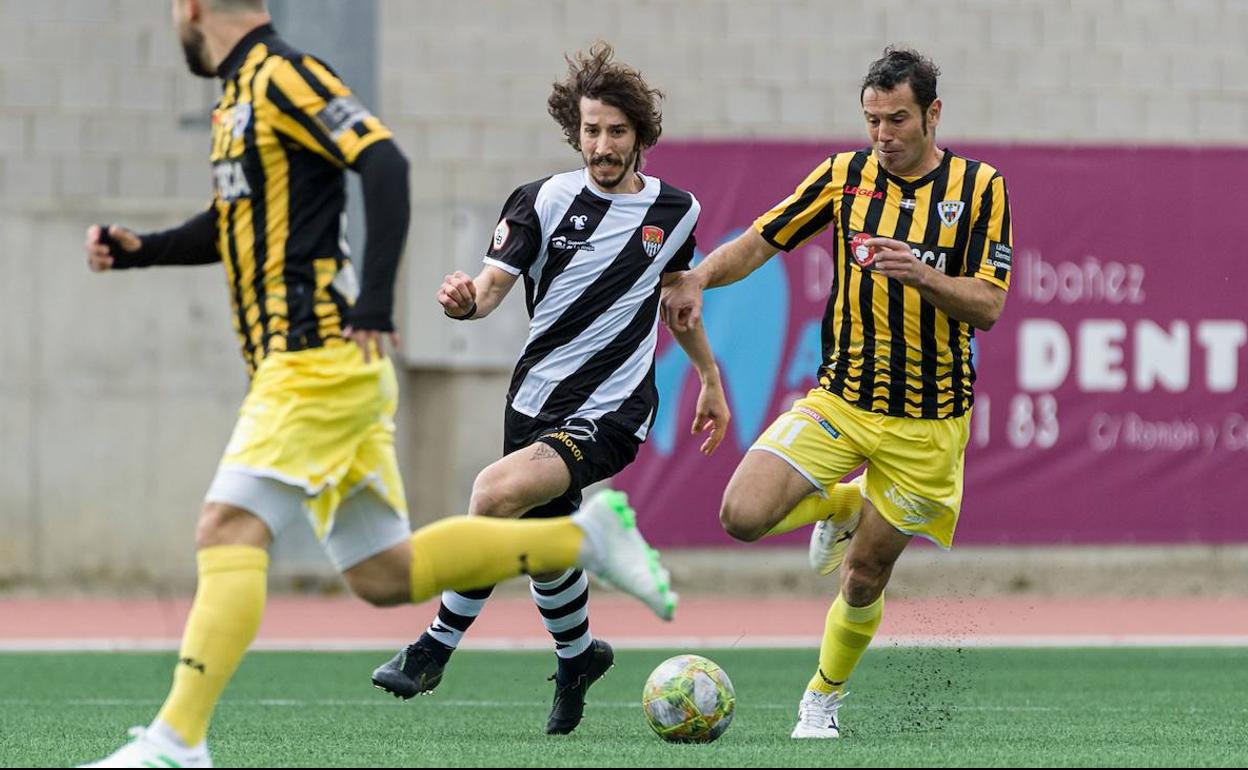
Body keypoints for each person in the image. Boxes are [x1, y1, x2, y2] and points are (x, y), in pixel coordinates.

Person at [78, 4, 676, 767]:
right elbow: (234, 225)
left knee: (227, 529)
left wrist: (371, 304)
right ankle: (577, 542)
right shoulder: (235, 102)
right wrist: (141, 251)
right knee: (383, 576)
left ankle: (177, 743)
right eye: (591, 130)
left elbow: (385, 162)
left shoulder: (283, 75)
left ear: (192, 8)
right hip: (319, 367)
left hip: (315, 358)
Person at [370, 41, 729, 736]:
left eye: (616, 131)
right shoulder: (542, 201)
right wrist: (462, 299)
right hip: (533, 402)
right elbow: (489, 292)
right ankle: (577, 659)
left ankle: (432, 648)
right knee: (540, 544)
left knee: (493, 494)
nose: (602, 144)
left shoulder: (676, 211)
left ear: (639, 137)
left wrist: (709, 376)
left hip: (614, 409)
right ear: (576, 130)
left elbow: (678, 305)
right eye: (591, 130)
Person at [663, 46, 1013, 739]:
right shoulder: (844, 177)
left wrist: (923, 277)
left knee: (861, 577)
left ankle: (821, 698)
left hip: (928, 425)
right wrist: (699, 278)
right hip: (842, 401)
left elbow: (988, 306)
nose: (882, 136)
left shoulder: (980, 188)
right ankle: (849, 502)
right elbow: (763, 240)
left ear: (933, 114)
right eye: (872, 120)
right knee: (741, 515)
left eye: (898, 120)